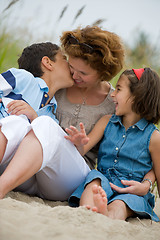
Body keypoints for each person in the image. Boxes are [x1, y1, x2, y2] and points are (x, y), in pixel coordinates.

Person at [65, 67, 160, 222]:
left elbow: (157, 172)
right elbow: (82, 150)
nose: (113, 94)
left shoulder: (154, 137)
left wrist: (145, 185)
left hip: (131, 191)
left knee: (121, 204)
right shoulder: (106, 122)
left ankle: (107, 215)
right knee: (93, 184)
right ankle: (88, 211)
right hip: (104, 179)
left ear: (137, 96)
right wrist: (79, 143)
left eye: (119, 89)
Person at [55, 25, 125, 169]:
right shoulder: (60, 84)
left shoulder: (113, 104)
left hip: (75, 170)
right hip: (42, 157)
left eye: (83, 73)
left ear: (103, 73)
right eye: (71, 67)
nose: (74, 76)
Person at [0, 42, 73, 122]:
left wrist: (34, 118)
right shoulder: (24, 78)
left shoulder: (51, 118)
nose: (70, 64)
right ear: (48, 63)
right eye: (64, 58)